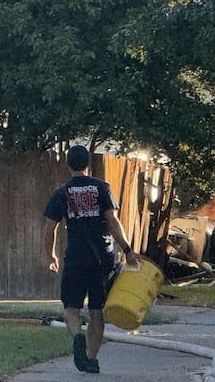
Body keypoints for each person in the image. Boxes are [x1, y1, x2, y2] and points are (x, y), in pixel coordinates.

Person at [42, 145, 140, 373]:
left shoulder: (61, 192)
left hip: (76, 256)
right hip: (102, 258)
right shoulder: (102, 188)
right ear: (88, 164)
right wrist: (127, 249)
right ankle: (91, 358)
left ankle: (77, 336)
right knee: (97, 309)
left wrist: (51, 255)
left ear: (68, 164)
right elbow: (112, 222)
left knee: (71, 307)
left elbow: (50, 228)